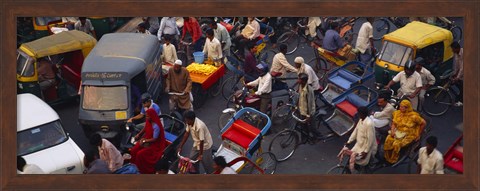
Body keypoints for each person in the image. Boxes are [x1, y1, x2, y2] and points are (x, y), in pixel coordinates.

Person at [384, 100, 426, 164]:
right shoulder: (397, 113)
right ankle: (387, 156)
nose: (400, 108)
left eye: (402, 107)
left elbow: (423, 123)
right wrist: (392, 131)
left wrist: (419, 134)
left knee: (396, 144)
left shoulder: (414, 117)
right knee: (388, 139)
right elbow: (394, 123)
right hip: (398, 132)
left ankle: (393, 159)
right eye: (400, 106)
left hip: (409, 134)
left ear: (407, 108)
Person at [130, 108, 166, 174]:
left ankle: (140, 170)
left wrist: (144, 141)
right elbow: (145, 128)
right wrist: (139, 134)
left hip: (153, 145)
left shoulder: (156, 126)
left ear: (151, 116)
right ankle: (132, 166)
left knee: (140, 154)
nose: (146, 117)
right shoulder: (148, 121)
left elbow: (154, 139)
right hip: (146, 139)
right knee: (134, 150)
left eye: (147, 116)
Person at [343, 106, 377, 172]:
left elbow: (370, 139)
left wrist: (366, 151)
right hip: (359, 144)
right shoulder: (361, 120)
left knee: (365, 166)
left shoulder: (369, 124)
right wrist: (349, 141)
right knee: (352, 157)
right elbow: (355, 131)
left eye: (358, 113)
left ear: (362, 114)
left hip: (366, 147)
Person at [451, 41, 463, 106]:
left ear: (457, 48)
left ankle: (461, 101)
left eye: (453, 49)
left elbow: (462, 68)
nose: (452, 50)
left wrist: (457, 77)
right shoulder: (456, 54)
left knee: (462, 87)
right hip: (461, 73)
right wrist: (454, 73)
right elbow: (456, 65)